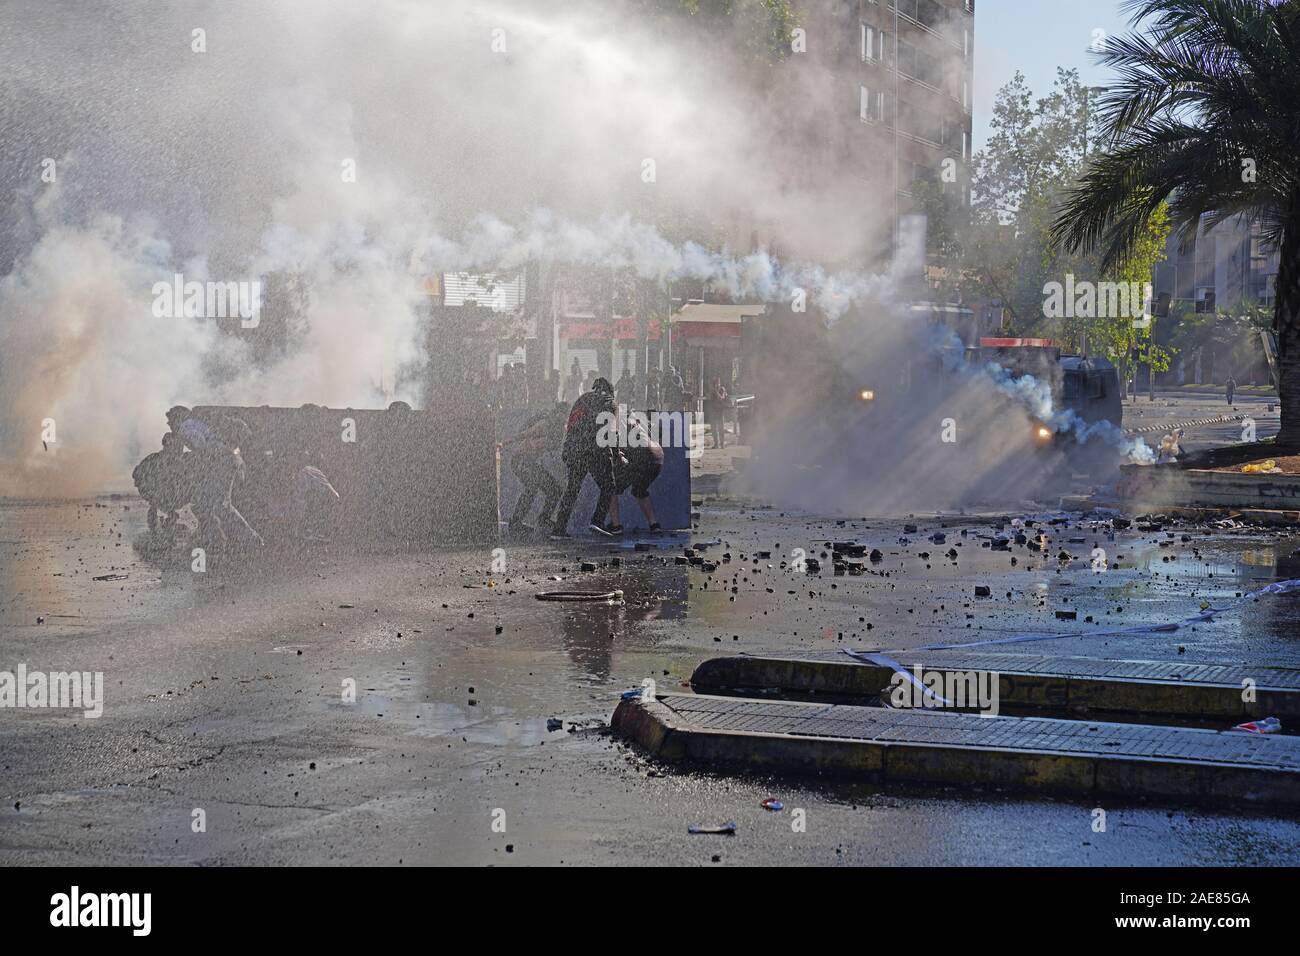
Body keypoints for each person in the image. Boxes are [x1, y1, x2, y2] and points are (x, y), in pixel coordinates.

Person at [550, 377, 618, 537]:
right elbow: (610, 433)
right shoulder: (610, 403)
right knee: (609, 486)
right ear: (610, 391)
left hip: (575, 449)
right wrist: (615, 454)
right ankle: (597, 521)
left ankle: (558, 529)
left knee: (572, 489)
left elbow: (571, 424)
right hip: (596, 451)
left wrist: (567, 448)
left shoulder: (581, 400)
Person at [500, 404, 566, 536]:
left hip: (529, 462)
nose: (565, 419)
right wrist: (504, 443)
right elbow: (524, 434)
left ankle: (541, 520)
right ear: (559, 414)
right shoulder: (545, 424)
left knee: (553, 490)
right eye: (564, 415)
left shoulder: (558, 429)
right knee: (532, 488)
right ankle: (517, 524)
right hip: (521, 461)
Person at [604, 413, 664, 534]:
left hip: (641, 458)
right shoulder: (639, 421)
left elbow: (617, 446)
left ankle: (616, 526)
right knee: (639, 490)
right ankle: (654, 524)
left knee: (610, 487)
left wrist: (618, 454)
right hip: (657, 459)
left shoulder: (618, 421)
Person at [132, 432, 194, 542]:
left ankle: (167, 519)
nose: (179, 450)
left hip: (169, 496)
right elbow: (137, 473)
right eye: (177, 447)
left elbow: (188, 478)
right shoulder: (155, 460)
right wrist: (149, 490)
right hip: (159, 495)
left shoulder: (180, 462)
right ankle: (158, 525)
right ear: (168, 446)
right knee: (158, 503)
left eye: (180, 447)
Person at [708, 377, 729, 449]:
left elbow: (721, 398)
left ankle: (722, 444)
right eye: (716, 383)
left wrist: (716, 392)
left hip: (720, 411)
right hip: (714, 411)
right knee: (714, 428)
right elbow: (710, 399)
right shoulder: (712, 391)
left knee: (721, 428)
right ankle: (716, 443)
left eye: (718, 383)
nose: (717, 384)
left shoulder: (722, 389)